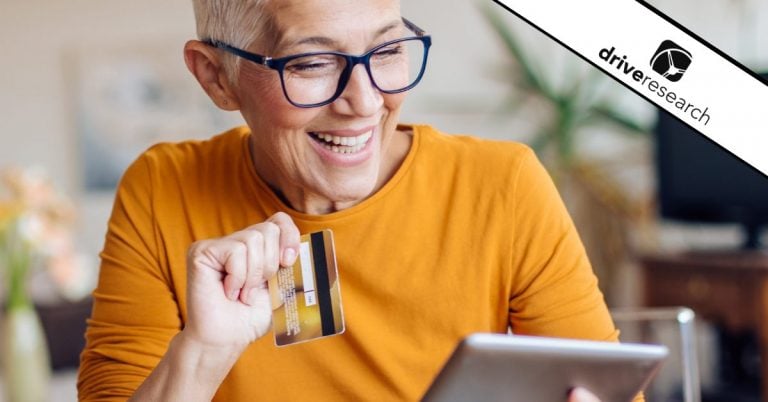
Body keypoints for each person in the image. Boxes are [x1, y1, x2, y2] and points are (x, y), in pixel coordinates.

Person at [77, 0, 630, 401]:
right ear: (217, 77)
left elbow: (609, 392)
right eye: (312, 64)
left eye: (386, 50)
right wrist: (203, 351)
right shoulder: (163, 188)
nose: (364, 103)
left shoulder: (502, 185)